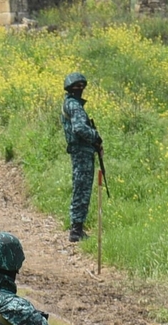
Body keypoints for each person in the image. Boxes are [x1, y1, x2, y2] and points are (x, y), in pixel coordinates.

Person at [60, 72, 103, 243]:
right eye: (76, 86)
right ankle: (76, 230)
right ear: (70, 88)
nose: (80, 89)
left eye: (82, 86)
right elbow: (79, 128)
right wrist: (96, 136)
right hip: (81, 153)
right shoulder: (75, 106)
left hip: (81, 151)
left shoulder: (71, 104)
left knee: (81, 187)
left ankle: (77, 227)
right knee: (82, 188)